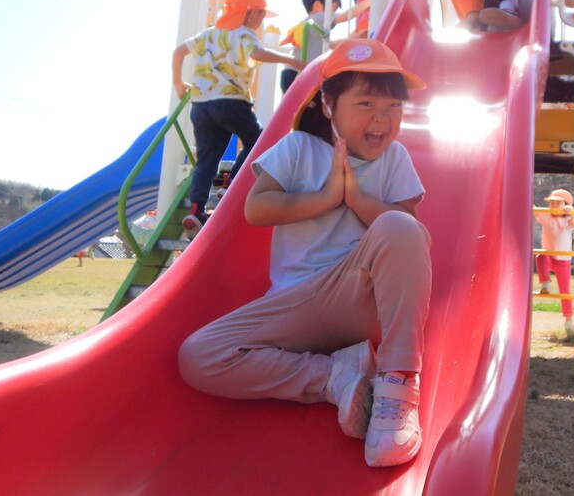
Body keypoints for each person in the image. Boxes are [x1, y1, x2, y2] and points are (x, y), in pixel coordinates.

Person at [178, 38, 431, 469]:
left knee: (400, 227)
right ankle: (335, 378)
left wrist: (357, 200)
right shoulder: (298, 148)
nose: (382, 119)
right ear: (329, 105)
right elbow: (257, 208)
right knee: (198, 356)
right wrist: (327, 196)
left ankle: (397, 384)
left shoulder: (396, 159)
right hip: (296, 303)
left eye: (394, 108)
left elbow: (409, 232)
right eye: (366, 103)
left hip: (359, 293)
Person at [172, 0, 306, 232]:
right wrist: (294, 61)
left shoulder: (207, 34)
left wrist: (179, 84)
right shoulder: (243, 33)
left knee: (207, 159)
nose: (262, 20)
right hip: (231, 102)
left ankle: (196, 209)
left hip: (201, 106)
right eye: (261, 14)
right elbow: (257, 53)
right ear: (248, 13)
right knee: (258, 141)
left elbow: (178, 52)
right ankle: (230, 184)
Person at [280, 0, 370, 93]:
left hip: (291, 73)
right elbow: (346, 16)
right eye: (334, 9)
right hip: (297, 73)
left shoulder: (314, 27)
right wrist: (371, 0)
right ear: (317, 6)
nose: (334, 13)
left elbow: (331, 44)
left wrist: (354, 38)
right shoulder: (318, 17)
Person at [533, 188, 574, 339]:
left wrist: (571, 210)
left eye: (558, 203)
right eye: (551, 203)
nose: (553, 205)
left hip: (563, 260)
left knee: (565, 291)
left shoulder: (567, 220)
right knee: (539, 256)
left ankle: (569, 320)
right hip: (549, 256)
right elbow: (534, 210)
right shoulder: (546, 216)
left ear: (565, 205)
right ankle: (545, 283)